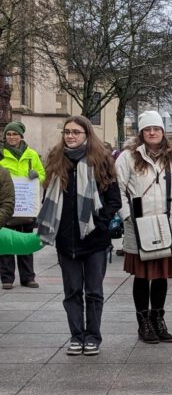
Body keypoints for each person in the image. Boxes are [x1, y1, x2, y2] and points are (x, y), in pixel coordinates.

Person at [37, 117, 121, 356]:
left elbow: (114, 200)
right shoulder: (56, 160)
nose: (70, 136)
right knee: (72, 292)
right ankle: (76, 336)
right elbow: (48, 200)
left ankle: (93, 337)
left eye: (76, 132)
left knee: (93, 291)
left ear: (87, 134)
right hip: (66, 240)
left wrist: (100, 222)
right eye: (67, 132)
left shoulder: (101, 161)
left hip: (94, 240)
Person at [116, 111, 172, 344]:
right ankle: (144, 323)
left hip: (166, 226)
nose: (152, 133)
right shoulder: (127, 157)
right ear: (141, 133)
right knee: (141, 278)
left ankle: (158, 318)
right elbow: (117, 188)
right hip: (139, 227)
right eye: (148, 129)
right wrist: (127, 216)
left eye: (157, 129)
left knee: (161, 277)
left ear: (162, 132)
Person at [0, 121, 45, 289]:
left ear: (21, 136)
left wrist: (36, 176)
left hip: (25, 206)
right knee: (5, 243)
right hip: (5, 205)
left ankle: (28, 277)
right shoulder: (1, 154)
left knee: (26, 241)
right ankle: (7, 278)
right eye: (9, 134)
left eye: (15, 134)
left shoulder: (31, 154)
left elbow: (42, 174)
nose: (11, 137)